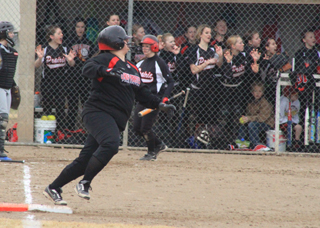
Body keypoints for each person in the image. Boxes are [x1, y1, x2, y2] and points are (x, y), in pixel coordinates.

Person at [43, 26, 176, 205]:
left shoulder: (131, 67)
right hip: (97, 112)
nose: (128, 43)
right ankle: (85, 183)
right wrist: (108, 72)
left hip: (114, 118)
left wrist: (159, 104)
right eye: (125, 40)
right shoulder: (105, 58)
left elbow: (142, 93)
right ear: (116, 42)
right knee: (111, 144)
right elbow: (88, 68)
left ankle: (54, 187)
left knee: (85, 161)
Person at [134, 35, 174, 161]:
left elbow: (170, 81)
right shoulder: (140, 63)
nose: (145, 49)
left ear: (154, 47)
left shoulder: (159, 62)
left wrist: (165, 98)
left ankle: (151, 152)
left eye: (147, 46)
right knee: (137, 128)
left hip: (154, 100)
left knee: (146, 128)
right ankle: (159, 144)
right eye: (143, 46)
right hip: (142, 100)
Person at [185, 24, 223, 146]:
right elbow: (194, 70)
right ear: (200, 34)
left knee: (210, 117)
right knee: (197, 117)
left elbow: (219, 65)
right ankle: (195, 141)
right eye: (206, 33)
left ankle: (208, 142)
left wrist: (220, 56)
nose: (209, 35)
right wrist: (207, 62)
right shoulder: (193, 50)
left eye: (210, 33)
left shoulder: (212, 50)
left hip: (210, 89)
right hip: (198, 89)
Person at [219, 35, 260, 144]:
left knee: (237, 115)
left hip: (238, 89)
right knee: (225, 114)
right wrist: (228, 63)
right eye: (240, 43)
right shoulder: (226, 55)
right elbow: (228, 75)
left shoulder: (244, 55)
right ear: (232, 46)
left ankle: (235, 140)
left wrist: (255, 63)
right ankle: (223, 142)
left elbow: (249, 75)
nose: (243, 44)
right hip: (226, 90)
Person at [35, 25, 76, 132]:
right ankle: (48, 132)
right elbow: (36, 65)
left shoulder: (65, 48)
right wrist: (40, 58)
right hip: (47, 82)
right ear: (52, 36)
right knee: (47, 106)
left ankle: (60, 133)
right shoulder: (45, 48)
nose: (61, 35)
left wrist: (70, 60)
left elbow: (72, 64)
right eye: (59, 33)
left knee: (61, 108)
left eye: (62, 33)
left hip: (61, 82)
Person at [64, 17, 97, 132]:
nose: (80, 29)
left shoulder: (89, 43)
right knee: (72, 106)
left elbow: (92, 58)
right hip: (72, 78)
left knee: (86, 105)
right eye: (78, 26)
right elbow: (70, 62)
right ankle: (69, 130)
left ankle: (89, 130)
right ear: (74, 28)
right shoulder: (69, 42)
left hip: (85, 79)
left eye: (82, 27)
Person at [237, 81, 274, 149]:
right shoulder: (251, 102)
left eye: (260, 91)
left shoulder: (265, 102)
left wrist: (249, 118)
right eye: (255, 91)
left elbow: (262, 118)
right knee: (244, 125)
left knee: (252, 125)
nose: (257, 93)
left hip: (267, 124)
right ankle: (241, 142)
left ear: (262, 92)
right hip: (254, 121)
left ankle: (255, 144)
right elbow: (249, 115)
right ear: (252, 92)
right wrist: (245, 118)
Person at [0, 21, 18, 159]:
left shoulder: (11, 52)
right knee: (2, 119)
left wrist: (13, 85)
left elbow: (8, 71)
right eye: (10, 32)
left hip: (6, 87)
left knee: (4, 119)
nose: (13, 35)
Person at [259, 37, 291, 104]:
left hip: (277, 87)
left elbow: (289, 66)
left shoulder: (279, 57)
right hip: (266, 88)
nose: (276, 46)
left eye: (275, 44)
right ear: (267, 47)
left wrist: (281, 68)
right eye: (273, 44)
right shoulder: (262, 59)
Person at [280, 86, 302, 151]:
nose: (297, 96)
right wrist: (284, 121)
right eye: (294, 95)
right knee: (289, 128)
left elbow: (296, 114)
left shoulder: (297, 102)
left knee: (299, 127)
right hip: (283, 121)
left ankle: (296, 143)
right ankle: (288, 145)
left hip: (293, 120)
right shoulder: (283, 101)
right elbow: (280, 115)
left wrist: (294, 121)